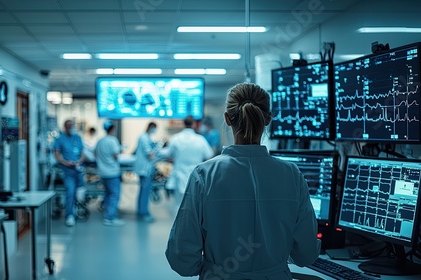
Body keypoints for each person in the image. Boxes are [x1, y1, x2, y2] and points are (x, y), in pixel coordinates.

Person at [165, 83, 321, 279]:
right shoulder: (291, 175)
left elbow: (181, 259)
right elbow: (305, 255)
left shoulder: (204, 175)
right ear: (268, 119)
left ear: (227, 119)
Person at [160, 115, 213, 213]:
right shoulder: (200, 140)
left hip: (180, 176)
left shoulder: (176, 138)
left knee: (178, 205)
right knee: (195, 207)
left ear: (183, 124)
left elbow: (169, 155)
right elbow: (209, 155)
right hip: (196, 177)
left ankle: (179, 228)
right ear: (194, 124)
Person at [53, 120, 87, 227]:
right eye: (69, 126)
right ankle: (69, 215)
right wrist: (65, 162)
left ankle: (78, 211)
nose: (71, 128)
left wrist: (79, 161)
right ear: (65, 127)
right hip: (67, 170)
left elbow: (82, 153)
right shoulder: (60, 139)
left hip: (78, 169)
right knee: (70, 192)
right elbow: (57, 154)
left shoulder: (77, 137)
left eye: (72, 126)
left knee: (80, 192)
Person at [95, 120, 125, 226]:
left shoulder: (100, 141)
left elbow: (95, 153)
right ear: (112, 129)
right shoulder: (112, 140)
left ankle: (107, 214)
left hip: (103, 172)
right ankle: (110, 217)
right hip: (112, 172)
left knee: (107, 194)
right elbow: (116, 156)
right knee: (114, 194)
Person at [133, 122, 159, 222]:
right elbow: (149, 155)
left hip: (145, 168)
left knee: (143, 191)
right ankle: (144, 213)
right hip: (144, 169)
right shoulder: (143, 138)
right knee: (145, 192)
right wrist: (157, 149)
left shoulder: (146, 137)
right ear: (151, 127)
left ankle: (141, 211)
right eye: (154, 128)